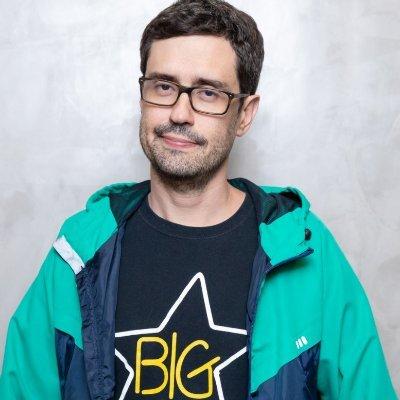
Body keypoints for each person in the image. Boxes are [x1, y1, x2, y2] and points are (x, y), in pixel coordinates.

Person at [0, 0, 397, 399]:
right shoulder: (79, 251)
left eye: (208, 93)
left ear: (245, 114)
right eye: (163, 86)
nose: (180, 113)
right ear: (142, 97)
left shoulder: (307, 253)